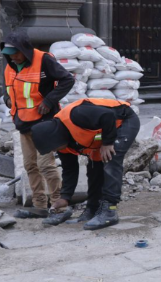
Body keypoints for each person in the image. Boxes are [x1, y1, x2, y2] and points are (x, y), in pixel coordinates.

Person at [30, 98, 140, 230]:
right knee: (94, 166)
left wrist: (107, 142)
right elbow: (70, 169)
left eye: (52, 147)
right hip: (104, 130)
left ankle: (109, 211)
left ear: (54, 138)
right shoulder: (63, 142)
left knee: (111, 157)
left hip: (124, 120)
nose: (54, 151)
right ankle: (93, 209)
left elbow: (108, 115)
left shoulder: (76, 115)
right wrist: (65, 197)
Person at [2, 31, 74, 220]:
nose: (13, 57)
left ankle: (59, 206)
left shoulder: (43, 60)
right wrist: (7, 99)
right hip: (23, 123)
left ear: (25, 49)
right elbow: (7, 88)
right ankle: (39, 206)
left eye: (16, 53)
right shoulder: (9, 66)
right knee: (30, 166)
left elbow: (67, 79)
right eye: (9, 54)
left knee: (45, 165)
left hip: (44, 123)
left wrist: (49, 101)